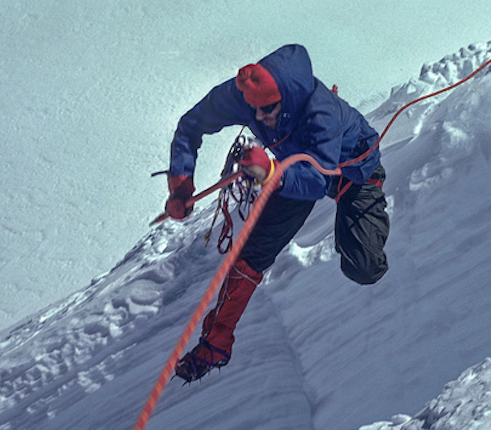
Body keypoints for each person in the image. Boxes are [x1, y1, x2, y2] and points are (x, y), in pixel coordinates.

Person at [165, 44, 390, 382]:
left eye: (267, 110)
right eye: (254, 110)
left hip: (351, 175)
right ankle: (216, 344)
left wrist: (271, 173)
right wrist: (181, 184)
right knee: (251, 255)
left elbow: (316, 180)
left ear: (289, 98)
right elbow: (191, 124)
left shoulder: (321, 114)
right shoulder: (248, 95)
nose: (259, 118)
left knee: (363, 266)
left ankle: (361, 233)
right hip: (290, 171)